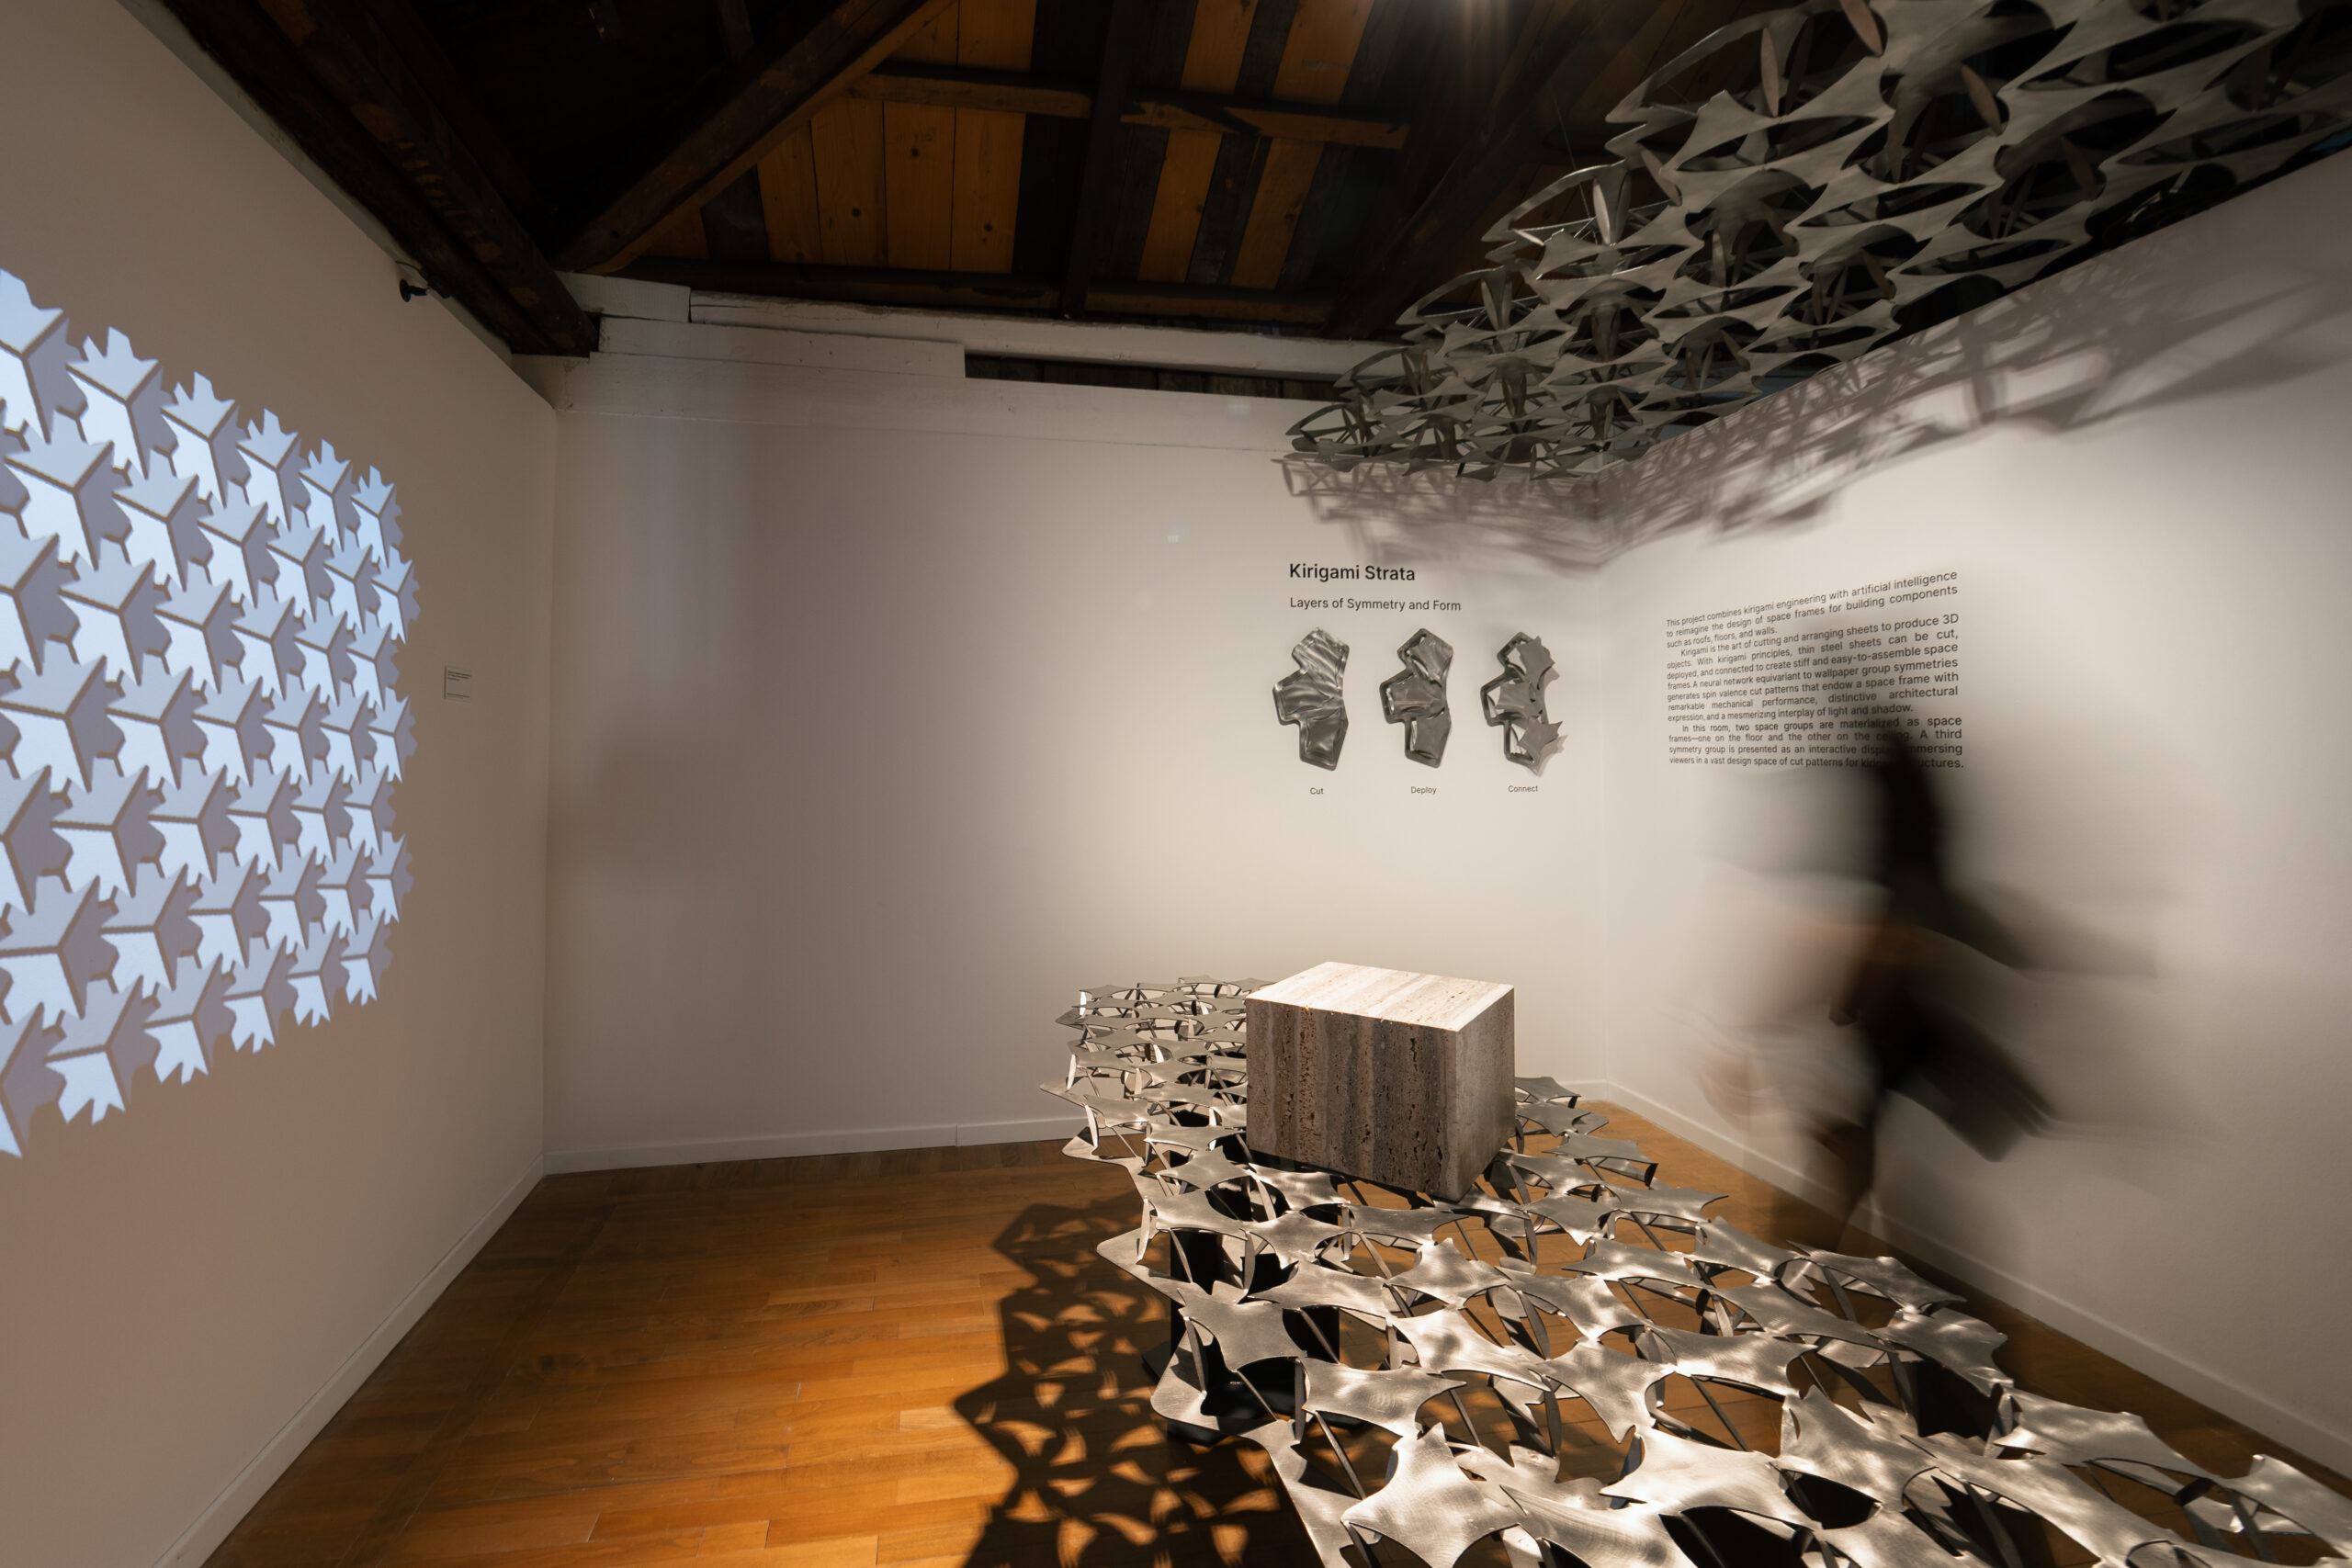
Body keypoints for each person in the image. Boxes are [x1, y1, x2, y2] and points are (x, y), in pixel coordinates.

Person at [1814, 726, 2049, 1233]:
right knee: (1887, 1092)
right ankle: (1838, 1200)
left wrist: (1851, 995)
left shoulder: (1905, 863)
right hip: (1897, 1006)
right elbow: (1912, 920)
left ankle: (1836, 1203)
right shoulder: (1914, 860)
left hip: (1895, 1005)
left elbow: (1899, 924)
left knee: (1883, 1094)